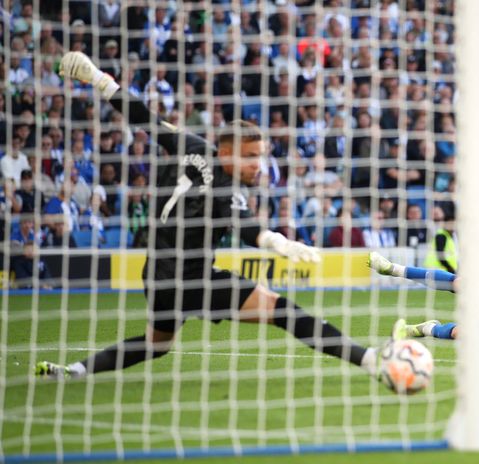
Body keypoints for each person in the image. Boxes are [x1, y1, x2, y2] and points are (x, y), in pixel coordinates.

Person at [36, 52, 389, 380]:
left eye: (260, 156)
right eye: (249, 156)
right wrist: (277, 241)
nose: (257, 165)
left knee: (156, 345)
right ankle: (369, 359)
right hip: (191, 280)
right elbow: (245, 225)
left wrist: (100, 79)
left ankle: (74, 370)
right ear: (225, 152)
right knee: (283, 311)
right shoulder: (226, 186)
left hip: (156, 277)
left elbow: (144, 117)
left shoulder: (190, 144)